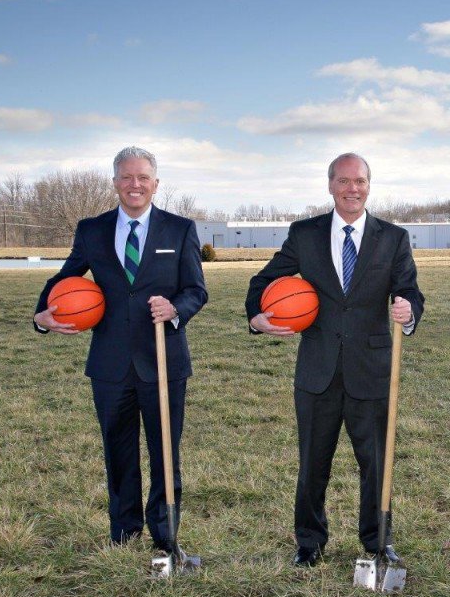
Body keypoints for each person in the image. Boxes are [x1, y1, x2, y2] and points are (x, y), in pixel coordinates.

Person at [245, 153, 424, 567]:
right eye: (343, 181)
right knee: (313, 462)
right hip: (317, 369)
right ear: (330, 185)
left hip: (372, 369)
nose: (352, 189)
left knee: (376, 464)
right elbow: (264, 281)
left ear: (369, 185)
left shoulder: (393, 237)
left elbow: (410, 290)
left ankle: (378, 541)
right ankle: (309, 542)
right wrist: (257, 316)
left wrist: (408, 311)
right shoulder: (305, 234)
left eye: (359, 181)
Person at [33, 146, 208, 553]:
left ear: (155, 183)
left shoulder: (180, 229)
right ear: (115, 183)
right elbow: (67, 277)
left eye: (143, 177)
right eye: (127, 177)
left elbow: (197, 290)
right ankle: (124, 533)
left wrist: (175, 308)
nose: (135, 184)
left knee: (165, 455)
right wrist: (41, 315)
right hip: (110, 364)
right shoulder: (92, 229)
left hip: (164, 362)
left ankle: (166, 539)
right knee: (118, 451)